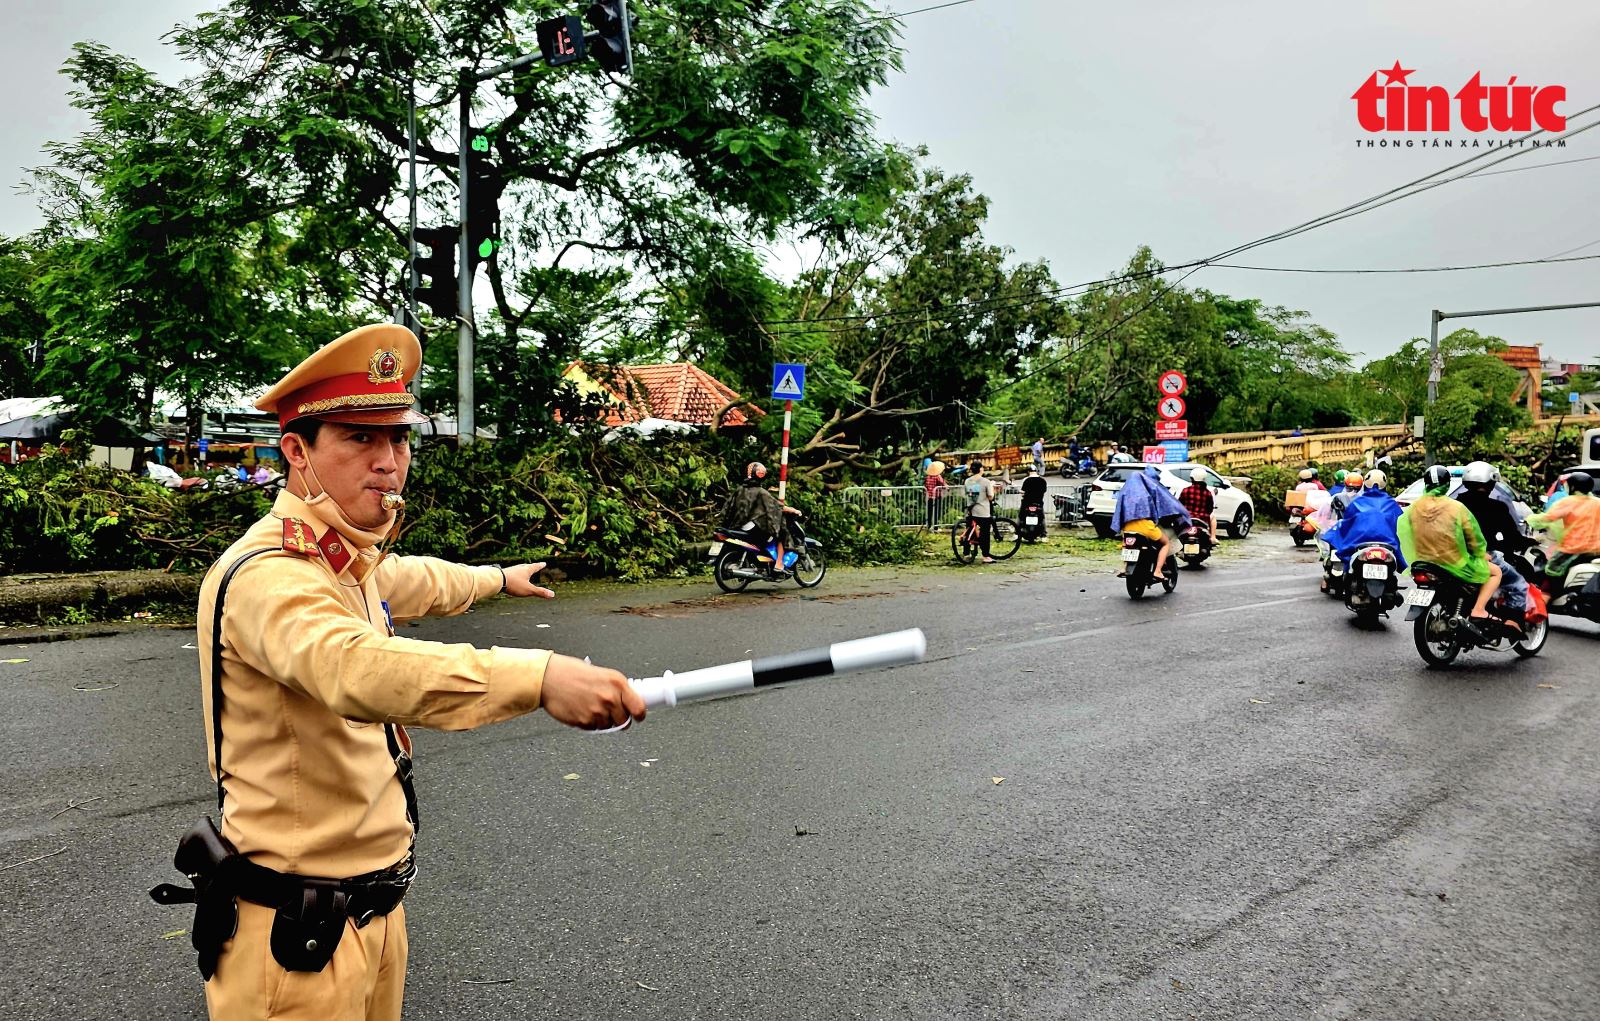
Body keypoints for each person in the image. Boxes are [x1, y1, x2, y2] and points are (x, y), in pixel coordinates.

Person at [165, 324, 647, 1021]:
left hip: (370, 912)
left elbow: (411, 578)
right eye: (360, 439)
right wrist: (538, 676)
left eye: (398, 438)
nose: (388, 461)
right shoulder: (270, 579)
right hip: (295, 935)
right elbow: (357, 669)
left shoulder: (341, 560)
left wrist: (496, 578)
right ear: (296, 452)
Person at [1398, 464, 1502, 623]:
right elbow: (1474, 538)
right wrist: (1481, 554)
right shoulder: (1457, 508)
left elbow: (1406, 533)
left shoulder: (1413, 508)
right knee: (1496, 572)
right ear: (1447, 484)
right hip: (1454, 563)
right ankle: (1479, 610)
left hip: (1423, 562)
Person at [1112, 467, 1190, 578]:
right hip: (1145, 526)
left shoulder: (1125, 493)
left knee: (1127, 545)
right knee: (1165, 543)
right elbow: (1166, 503)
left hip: (1127, 527)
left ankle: (1124, 567)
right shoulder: (1149, 491)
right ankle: (1158, 571)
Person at [1527, 471, 1600, 588]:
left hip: (1571, 549)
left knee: (1549, 577)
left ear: (1572, 487)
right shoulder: (1597, 502)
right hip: (1596, 551)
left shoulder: (1567, 502)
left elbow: (1547, 518)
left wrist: (1529, 519)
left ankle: (1546, 600)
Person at [722, 461, 789, 567]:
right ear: (762, 476)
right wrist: (794, 510)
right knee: (781, 533)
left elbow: (727, 508)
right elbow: (777, 506)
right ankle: (779, 563)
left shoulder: (739, 490)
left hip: (735, 526)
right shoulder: (761, 492)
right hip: (750, 527)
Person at [963, 460, 998, 563]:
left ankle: (966, 553)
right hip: (983, 511)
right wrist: (991, 487)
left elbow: (967, 493)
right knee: (985, 534)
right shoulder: (986, 482)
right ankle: (986, 556)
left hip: (971, 510)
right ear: (981, 469)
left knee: (969, 531)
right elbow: (991, 497)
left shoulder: (967, 481)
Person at [1178, 470, 1216, 547]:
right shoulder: (1207, 493)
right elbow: (1210, 509)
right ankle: (1213, 537)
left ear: (1192, 478)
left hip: (1187, 519)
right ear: (1204, 479)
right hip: (1202, 520)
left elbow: (1179, 505)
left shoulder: (1185, 490)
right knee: (1213, 517)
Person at [1020, 466, 1049, 538]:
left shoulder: (1027, 480)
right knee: (1042, 518)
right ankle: (1044, 535)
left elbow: (1023, 491)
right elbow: (1044, 491)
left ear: (1028, 472)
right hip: (1038, 502)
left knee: (1021, 517)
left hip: (1027, 502)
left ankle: (1017, 534)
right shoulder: (1042, 480)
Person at [923, 459, 950, 530]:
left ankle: (928, 526)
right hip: (937, 497)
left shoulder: (928, 477)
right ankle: (936, 527)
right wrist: (947, 487)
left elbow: (925, 486)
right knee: (936, 512)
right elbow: (943, 484)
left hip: (929, 497)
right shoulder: (937, 476)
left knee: (929, 512)